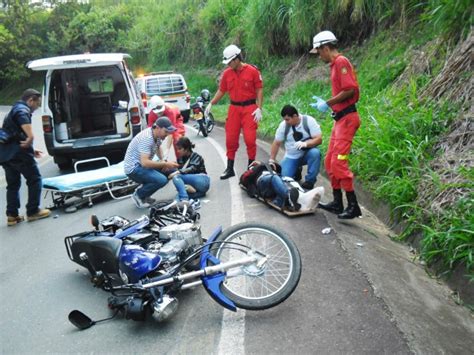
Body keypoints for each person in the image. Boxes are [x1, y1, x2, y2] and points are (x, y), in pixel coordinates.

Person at [310, 30, 362, 219]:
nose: (319, 56)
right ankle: (338, 203)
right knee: (329, 162)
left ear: (325, 47)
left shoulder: (341, 62)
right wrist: (329, 103)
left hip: (347, 120)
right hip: (340, 119)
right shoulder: (334, 65)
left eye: (319, 52)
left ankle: (353, 205)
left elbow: (350, 90)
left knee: (339, 163)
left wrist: (328, 103)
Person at [205, 44, 263, 179]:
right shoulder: (227, 74)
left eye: (230, 62)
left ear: (237, 59)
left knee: (250, 139)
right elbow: (222, 90)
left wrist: (259, 108)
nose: (228, 65)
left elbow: (259, 89)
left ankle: (251, 168)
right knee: (231, 139)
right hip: (234, 109)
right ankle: (230, 168)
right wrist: (212, 103)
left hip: (250, 109)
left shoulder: (252, 71)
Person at [1, 89, 51, 226]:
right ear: (30, 100)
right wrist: (31, 136)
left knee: (13, 184)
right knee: (34, 179)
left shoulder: (13, 110)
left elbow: (15, 134)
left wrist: (32, 149)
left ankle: (12, 216)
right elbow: (22, 116)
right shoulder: (22, 109)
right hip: (18, 154)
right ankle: (33, 211)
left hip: (6, 154)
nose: (37, 108)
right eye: (37, 104)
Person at [124, 116, 179, 208]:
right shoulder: (147, 138)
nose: (167, 134)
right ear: (157, 128)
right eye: (166, 131)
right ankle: (139, 195)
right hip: (134, 169)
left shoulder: (157, 136)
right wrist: (165, 164)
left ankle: (145, 194)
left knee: (171, 170)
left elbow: (157, 148)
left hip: (142, 166)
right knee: (161, 180)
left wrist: (163, 161)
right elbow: (144, 163)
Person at [269, 105, 322, 190]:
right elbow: (276, 143)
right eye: (284, 119)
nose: (286, 122)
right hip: (292, 156)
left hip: (307, 154)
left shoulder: (308, 121)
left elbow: (319, 139)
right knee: (284, 179)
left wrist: (306, 144)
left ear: (295, 116)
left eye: (288, 119)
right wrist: (271, 160)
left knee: (315, 153)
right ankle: (296, 169)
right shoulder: (283, 126)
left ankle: (310, 181)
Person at [241, 161, 324, 212]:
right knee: (274, 177)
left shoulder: (269, 166)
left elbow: (279, 169)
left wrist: (273, 165)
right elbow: (243, 179)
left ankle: (303, 196)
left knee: (288, 179)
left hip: (276, 182)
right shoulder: (252, 171)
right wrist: (257, 166)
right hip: (263, 183)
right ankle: (289, 198)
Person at [169, 136, 210, 204]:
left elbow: (192, 168)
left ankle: (184, 199)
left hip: (203, 180)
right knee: (178, 196)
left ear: (186, 149)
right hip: (197, 188)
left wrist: (177, 172)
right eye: (177, 149)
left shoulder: (197, 156)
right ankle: (180, 205)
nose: (178, 151)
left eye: (180, 149)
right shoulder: (180, 159)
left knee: (176, 177)